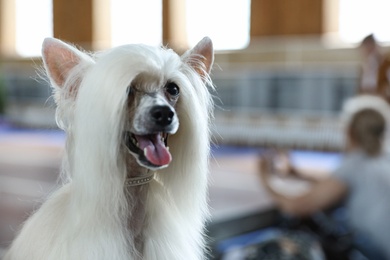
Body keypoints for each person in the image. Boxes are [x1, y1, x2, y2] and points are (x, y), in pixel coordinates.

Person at [259, 95, 390, 259]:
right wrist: (297, 173)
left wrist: (265, 178)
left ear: (350, 132)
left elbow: (296, 206)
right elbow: (338, 184)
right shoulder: (382, 158)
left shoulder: (355, 163)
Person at [359, 34, 390, 102]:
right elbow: (364, 87)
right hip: (368, 100)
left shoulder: (386, 64)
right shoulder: (365, 66)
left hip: (382, 101)